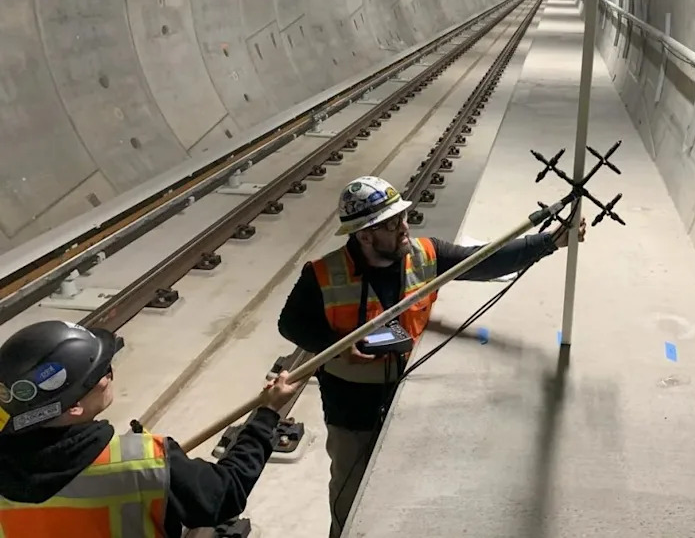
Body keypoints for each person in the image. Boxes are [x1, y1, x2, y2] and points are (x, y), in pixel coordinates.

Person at [277, 175, 586, 537]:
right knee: (349, 490)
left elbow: (482, 260)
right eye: (392, 224)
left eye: (404, 216)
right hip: (351, 409)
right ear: (364, 235)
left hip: (409, 396)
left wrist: (549, 242)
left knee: (402, 491)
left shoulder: (426, 254)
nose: (404, 227)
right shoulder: (322, 275)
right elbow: (290, 325)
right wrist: (339, 341)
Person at [0, 319, 304, 537]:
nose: (109, 375)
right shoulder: (144, 463)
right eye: (101, 373)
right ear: (74, 407)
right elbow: (225, 493)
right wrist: (266, 414)